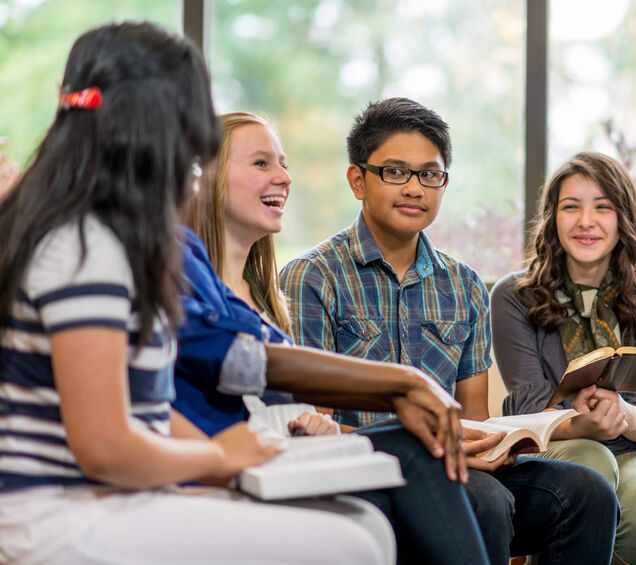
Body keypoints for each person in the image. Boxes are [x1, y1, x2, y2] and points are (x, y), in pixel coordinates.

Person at [0, 22, 384, 565]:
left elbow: (144, 409)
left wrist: (229, 453)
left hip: (106, 498)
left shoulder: (109, 240)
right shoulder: (85, 246)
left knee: (360, 523)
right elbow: (105, 446)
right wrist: (216, 457)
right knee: (352, 546)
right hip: (62, 516)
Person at [280, 97, 618, 565]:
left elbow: (471, 416)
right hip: (364, 468)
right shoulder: (312, 277)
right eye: (395, 172)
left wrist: (496, 444)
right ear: (358, 180)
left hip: (453, 463)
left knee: (587, 491)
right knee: (484, 502)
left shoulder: (464, 284)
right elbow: (309, 425)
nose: (415, 188)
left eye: (430, 174)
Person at [176, 111, 493, 564]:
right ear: (202, 176)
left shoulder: (267, 293)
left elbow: (277, 392)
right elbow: (248, 365)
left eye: (282, 163)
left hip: (282, 454)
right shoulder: (187, 268)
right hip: (235, 465)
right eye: (262, 163)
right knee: (411, 454)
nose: (285, 177)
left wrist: (310, 421)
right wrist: (403, 385)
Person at [491, 151, 636, 565]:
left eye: (603, 207)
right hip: (554, 445)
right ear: (551, 219)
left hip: (633, 447)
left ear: (623, 220)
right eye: (570, 207)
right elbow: (526, 406)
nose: (586, 222)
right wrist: (581, 423)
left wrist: (624, 416)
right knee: (591, 462)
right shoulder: (512, 296)